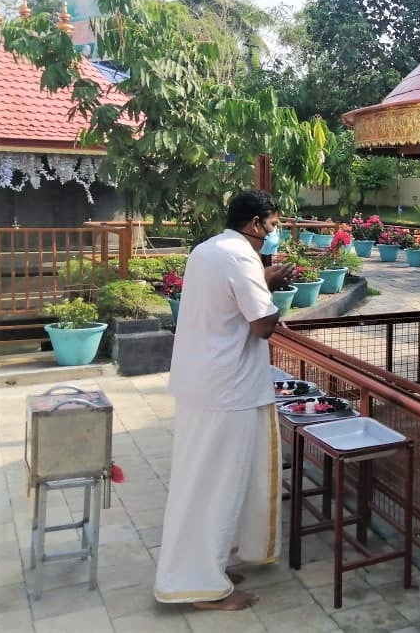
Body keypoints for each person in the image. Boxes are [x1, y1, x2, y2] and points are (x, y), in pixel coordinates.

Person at [154, 190, 295, 611]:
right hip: (227, 389)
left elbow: (224, 301)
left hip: (206, 384)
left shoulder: (209, 249)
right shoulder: (240, 257)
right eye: (272, 225)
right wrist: (274, 292)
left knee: (205, 482)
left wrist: (263, 281)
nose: (274, 233)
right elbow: (261, 326)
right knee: (215, 487)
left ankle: (206, 567)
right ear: (254, 224)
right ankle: (199, 586)